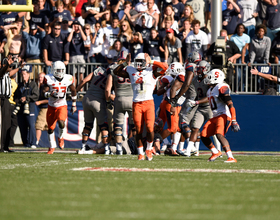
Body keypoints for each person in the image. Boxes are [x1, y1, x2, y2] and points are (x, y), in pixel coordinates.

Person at [113, 52, 168, 161]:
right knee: (138, 129)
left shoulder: (151, 70)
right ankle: (140, 152)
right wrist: (125, 63)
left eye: (140, 62)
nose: (138, 64)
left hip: (148, 102)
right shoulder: (131, 70)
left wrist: (151, 61)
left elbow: (165, 68)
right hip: (136, 103)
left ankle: (148, 149)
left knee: (149, 128)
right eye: (137, 62)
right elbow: (116, 72)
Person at [201, 68, 240, 163]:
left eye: (211, 77)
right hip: (215, 116)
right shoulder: (210, 90)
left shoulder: (221, 87)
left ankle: (231, 157)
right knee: (203, 135)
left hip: (223, 115)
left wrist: (234, 120)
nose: (208, 78)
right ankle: (215, 152)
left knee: (219, 134)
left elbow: (230, 104)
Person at [43, 61, 77, 154]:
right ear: (54, 70)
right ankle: (51, 146)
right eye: (58, 70)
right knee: (50, 128)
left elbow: (73, 91)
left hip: (62, 104)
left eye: (62, 70)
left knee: (61, 123)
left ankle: (60, 137)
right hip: (51, 106)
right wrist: (50, 94)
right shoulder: (48, 78)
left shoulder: (68, 78)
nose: (60, 72)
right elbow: (44, 92)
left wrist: (74, 104)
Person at [76, 66, 111, 155]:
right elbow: (108, 90)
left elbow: (84, 80)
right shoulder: (111, 75)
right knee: (103, 126)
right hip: (98, 101)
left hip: (87, 98)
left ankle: (83, 147)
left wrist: (75, 91)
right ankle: (106, 148)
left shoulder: (98, 70)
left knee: (88, 125)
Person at [104, 50, 134, 155]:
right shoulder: (134, 68)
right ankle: (133, 147)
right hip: (132, 99)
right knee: (134, 126)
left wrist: (108, 101)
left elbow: (108, 89)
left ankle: (119, 148)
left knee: (118, 126)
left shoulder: (113, 69)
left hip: (119, 99)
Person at [15, 67, 39, 149]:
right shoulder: (20, 85)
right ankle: (26, 143)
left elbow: (36, 96)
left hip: (30, 107)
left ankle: (33, 142)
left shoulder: (33, 84)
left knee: (31, 125)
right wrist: (17, 99)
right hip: (21, 108)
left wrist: (27, 98)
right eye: (22, 74)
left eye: (24, 74)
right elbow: (16, 95)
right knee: (22, 125)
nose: (23, 76)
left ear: (29, 75)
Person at [0, 56, 18, 153]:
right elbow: (3, 71)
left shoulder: (7, 74)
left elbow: (11, 72)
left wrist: (20, 67)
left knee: (7, 124)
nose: (10, 68)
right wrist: (7, 64)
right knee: (2, 124)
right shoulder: (1, 73)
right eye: (9, 66)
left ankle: (6, 146)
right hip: (1, 99)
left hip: (6, 100)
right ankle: (1, 146)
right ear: (4, 65)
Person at [67, 20, 87, 87]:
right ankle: (74, 90)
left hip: (81, 55)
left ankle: (81, 90)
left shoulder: (82, 33)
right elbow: (69, 40)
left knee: (81, 74)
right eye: (74, 26)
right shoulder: (71, 33)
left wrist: (80, 30)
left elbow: (85, 38)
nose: (76, 27)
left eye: (77, 26)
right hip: (73, 55)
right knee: (74, 74)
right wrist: (72, 30)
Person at [35, 72, 49, 146]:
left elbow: (49, 99)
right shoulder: (40, 86)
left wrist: (40, 102)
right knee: (48, 127)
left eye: (42, 77)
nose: (40, 79)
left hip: (45, 108)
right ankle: (53, 143)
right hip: (45, 108)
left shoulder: (46, 86)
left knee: (38, 125)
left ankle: (36, 142)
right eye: (39, 77)